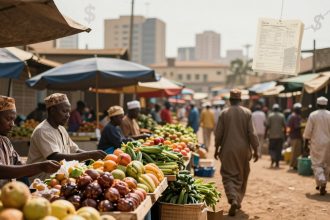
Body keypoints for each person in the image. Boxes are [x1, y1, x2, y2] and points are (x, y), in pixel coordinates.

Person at [27, 93, 107, 181]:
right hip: (41, 183)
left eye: (69, 111)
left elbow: (75, 150)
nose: (68, 115)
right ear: (53, 111)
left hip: (59, 179)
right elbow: (55, 157)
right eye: (64, 111)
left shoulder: (61, 129)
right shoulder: (42, 130)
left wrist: (94, 157)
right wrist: (90, 154)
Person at [214, 89, 259, 216]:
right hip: (243, 150)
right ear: (240, 100)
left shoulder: (224, 113)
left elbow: (219, 134)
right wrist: (256, 150)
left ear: (229, 100)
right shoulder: (247, 112)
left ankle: (233, 197)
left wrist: (216, 148)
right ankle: (237, 199)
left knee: (228, 175)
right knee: (242, 174)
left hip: (227, 150)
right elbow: (252, 134)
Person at [0, 96, 60, 186]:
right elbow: (2, 171)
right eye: (8, 119)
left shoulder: (5, 141)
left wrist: (42, 167)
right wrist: (40, 166)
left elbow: (19, 166)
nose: (12, 124)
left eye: (13, 120)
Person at [303, 96, 330, 195]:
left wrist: (305, 144)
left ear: (317, 104)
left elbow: (307, 132)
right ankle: (322, 185)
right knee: (327, 165)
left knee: (317, 164)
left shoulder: (313, 115)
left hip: (316, 143)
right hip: (328, 144)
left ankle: (321, 181)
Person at [265, 104, 286, 168]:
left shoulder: (270, 116)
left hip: (272, 136)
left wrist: (265, 134)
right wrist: (285, 134)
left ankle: (273, 159)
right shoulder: (282, 116)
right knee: (278, 150)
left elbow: (267, 126)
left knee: (272, 149)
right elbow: (284, 126)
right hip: (280, 136)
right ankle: (277, 163)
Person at [287, 103, 303, 170]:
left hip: (293, 136)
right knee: (296, 152)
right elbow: (296, 126)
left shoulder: (292, 116)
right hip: (295, 136)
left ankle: (294, 165)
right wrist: (303, 125)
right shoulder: (295, 117)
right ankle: (294, 165)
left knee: (295, 151)